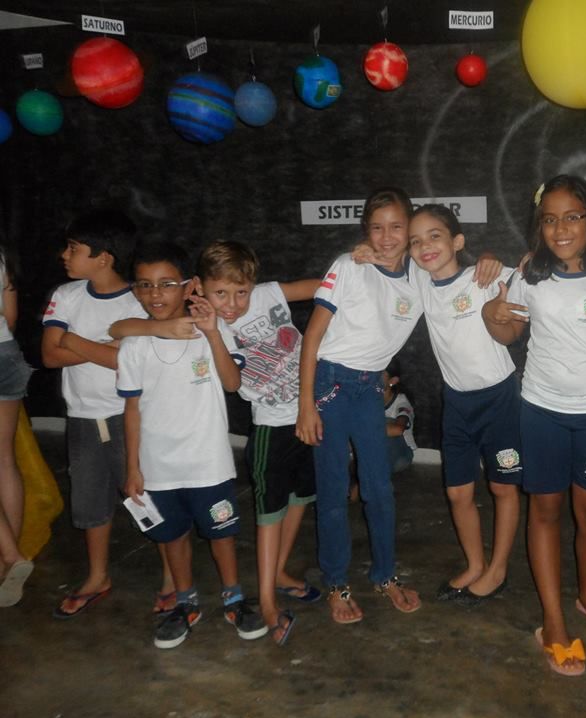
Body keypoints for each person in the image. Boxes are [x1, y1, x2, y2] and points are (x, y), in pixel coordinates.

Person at [111, 240, 321, 646]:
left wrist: (209, 333)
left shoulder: (225, 321)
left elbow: (231, 380)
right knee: (177, 533)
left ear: (187, 286)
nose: (231, 303)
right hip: (166, 463)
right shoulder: (150, 340)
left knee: (238, 525)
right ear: (200, 288)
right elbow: (125, 365)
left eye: (240, 292)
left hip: (219, 457)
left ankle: (241, 594)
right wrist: (132, 467)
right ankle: (192, 600)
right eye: (146, 285)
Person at [482, 175, 586, 676]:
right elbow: (508, 332)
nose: (561, 228)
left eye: (572, 216)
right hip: (542, 411)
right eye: (550, 219)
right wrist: (491, 313)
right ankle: (552, 620)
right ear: (539, 226)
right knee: (545, 512)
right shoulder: (530, 275)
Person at [295, 187, 425, 623]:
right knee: (333, 492)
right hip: (330, 385)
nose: (386, 237)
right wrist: (306, 405)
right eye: (376, 228)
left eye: (396, 226)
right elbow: (312, 337)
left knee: (379, 490)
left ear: (410, 227)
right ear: (365, 230)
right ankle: (337, 583)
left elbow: (452, 263)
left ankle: (385, 575)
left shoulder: (420, 277)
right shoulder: (349, 266)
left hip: (370, 388)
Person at [40, 209, 156, 618]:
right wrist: (103, 349)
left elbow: (128, 363)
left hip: (130, 416)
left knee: (145, 496)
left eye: (74, 248)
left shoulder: (139, 299)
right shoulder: (66, 295)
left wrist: (73, 340)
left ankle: (174, 580)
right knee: (90, 500)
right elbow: (49, 355)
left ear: (103, 258)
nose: (64, 255)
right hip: (82, 417)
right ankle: (97, 576)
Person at [406, 204, 521, 607]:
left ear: (457, 241)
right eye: (415, 241)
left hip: (500, 399)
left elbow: (528, 274)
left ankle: (498, 570)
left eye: (435, 236)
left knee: (503, 487)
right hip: (456, 402)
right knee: (458, 494)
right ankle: (475, 565)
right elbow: (382, 259)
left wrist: (491, 258)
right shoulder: (419, 280)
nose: (425, 246)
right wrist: (366, 251)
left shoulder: (482, 277)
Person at [0, 239, 34, 607]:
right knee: (5, 459)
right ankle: (7, 561)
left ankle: (9, 555)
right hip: (6, 353)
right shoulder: (2, 253)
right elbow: (9, 317)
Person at [381, 368, 416, 475]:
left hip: (401, 456)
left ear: (392, 381)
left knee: (387, 423)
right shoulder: (369, 399)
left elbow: (398, 430)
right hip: (378, 452)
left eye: (380, 374)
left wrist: (362, 428)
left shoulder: (401, 402)